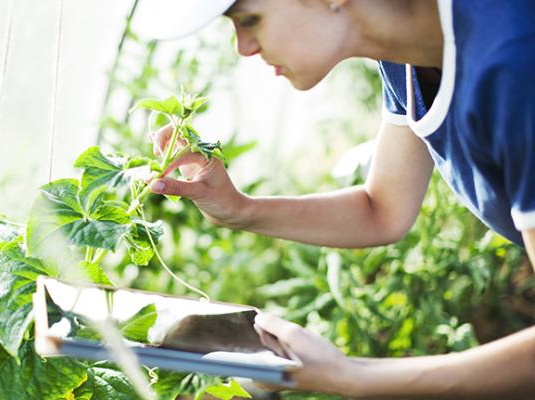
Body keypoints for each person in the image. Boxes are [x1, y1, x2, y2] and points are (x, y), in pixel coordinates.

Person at [134, 0, 535, 397]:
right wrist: (237, 209)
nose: (243, 47)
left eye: (249, 19)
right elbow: (383, 209)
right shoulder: (408, 55)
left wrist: (356, 378)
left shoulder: (515, 63)